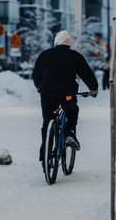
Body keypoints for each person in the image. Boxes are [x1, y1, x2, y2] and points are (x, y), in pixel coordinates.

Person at [32, 30, 98, 162]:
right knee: (72, 110)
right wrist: (93, 89)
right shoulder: (75, 56)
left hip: (47, 94)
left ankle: (45, 153)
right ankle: (69, 133)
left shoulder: (44, 55)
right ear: (69, 44)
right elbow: (87, 74)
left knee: (47, 122)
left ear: (55, 43)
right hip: (67, 94)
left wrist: (39, 87)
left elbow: (36, 75)